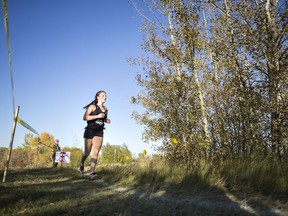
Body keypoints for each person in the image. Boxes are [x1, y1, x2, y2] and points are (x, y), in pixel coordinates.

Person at [80, 90, 111, 179]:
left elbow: (104, 118)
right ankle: (82, 163)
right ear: (98, 97)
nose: (105, 97)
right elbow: (85, 117)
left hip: (99, 132)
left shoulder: (106, 109)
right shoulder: (92, 107)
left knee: (96, 152)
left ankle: (91, 173)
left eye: (105, 95)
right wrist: (97, 116)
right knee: (87, 152)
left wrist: (106, 120)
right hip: (90, 130)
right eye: (103, 95)